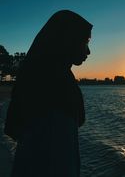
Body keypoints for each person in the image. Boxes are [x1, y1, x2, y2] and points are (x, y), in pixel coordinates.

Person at [4, 10, 93, 177]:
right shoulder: (56, 87)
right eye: (85, 42)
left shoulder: (40, 78)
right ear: (68, 39)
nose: (88, 51)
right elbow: (58, 159)